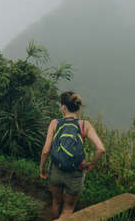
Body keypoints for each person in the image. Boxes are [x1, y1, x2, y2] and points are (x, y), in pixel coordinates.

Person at [40, 91, 105, 220]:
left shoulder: (54, 123)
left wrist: (42, 167)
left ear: (63, 107)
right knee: (68, 208)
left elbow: (46, 150)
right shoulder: (85, 125)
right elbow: (101, 149)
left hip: (56, 170)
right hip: (76, 173)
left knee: (56, 202)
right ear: (78, 107)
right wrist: (90, 164)